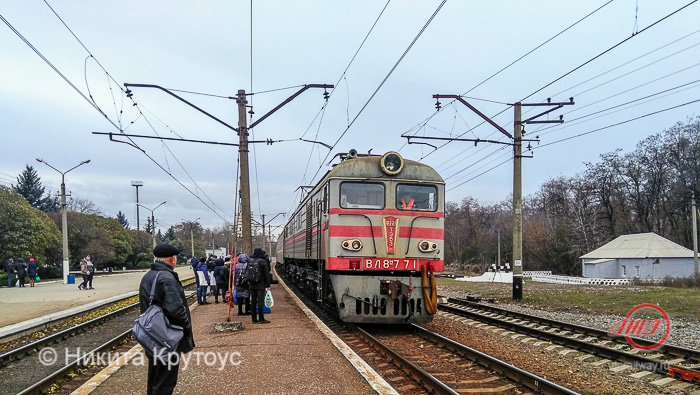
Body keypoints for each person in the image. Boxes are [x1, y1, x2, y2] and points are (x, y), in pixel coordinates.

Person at [138, 243, 194, 395]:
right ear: (172, 259)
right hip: (167, 339)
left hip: (152, 335)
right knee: (165, 382)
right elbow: (176, 309)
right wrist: (186, 329)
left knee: (155, 378)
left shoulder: (149, 275)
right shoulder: (166, 278)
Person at [248, 248, 271, 324]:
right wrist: (268, 285)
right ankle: (261, 319)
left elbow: (247, 273)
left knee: (253, 302)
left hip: (251, 284)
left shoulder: (250, 261)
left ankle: (254, 319)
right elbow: (266, 274)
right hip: (260, 284)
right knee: (260, 302)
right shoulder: (263, 262)